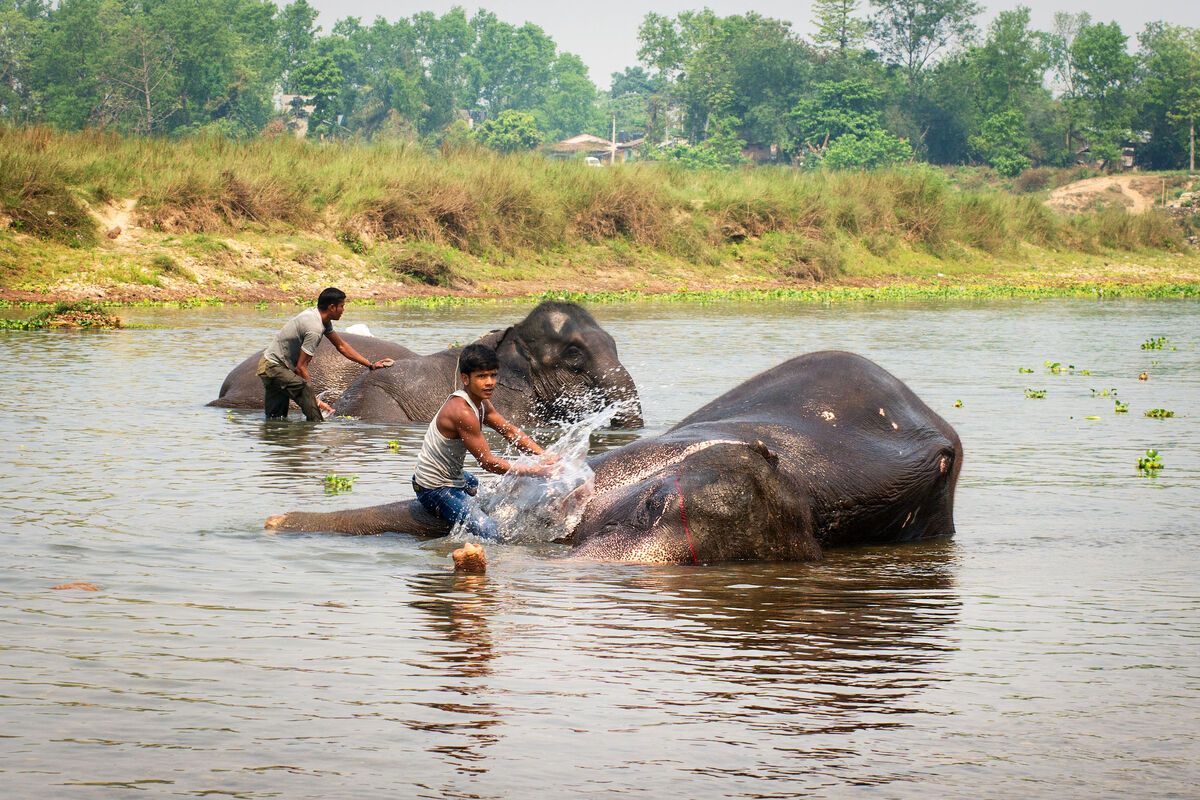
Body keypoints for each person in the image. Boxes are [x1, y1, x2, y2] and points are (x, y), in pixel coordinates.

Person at [413, 343, 558, 541]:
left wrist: (543, 455)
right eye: (482, 376)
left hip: (455, 475)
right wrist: (537, 471)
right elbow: (488, 462)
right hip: (435, 488)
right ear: (465, 378)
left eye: (493, 375)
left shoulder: (480, 402)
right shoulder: (462, 411)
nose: (490, 382)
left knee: (479, 488)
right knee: (490, 530)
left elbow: (509, 431)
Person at [256, 287, 390, 421]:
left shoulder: (320, 319)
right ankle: (317, 430)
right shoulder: (314, 328)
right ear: (332, 307)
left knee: (275, 419)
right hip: (275, 368)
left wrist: (370, 365)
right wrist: (314, 400)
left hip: (270, 365)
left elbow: (341, 346)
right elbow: (301, 367)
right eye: (342, 306)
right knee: (307, 397)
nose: (343, 310)